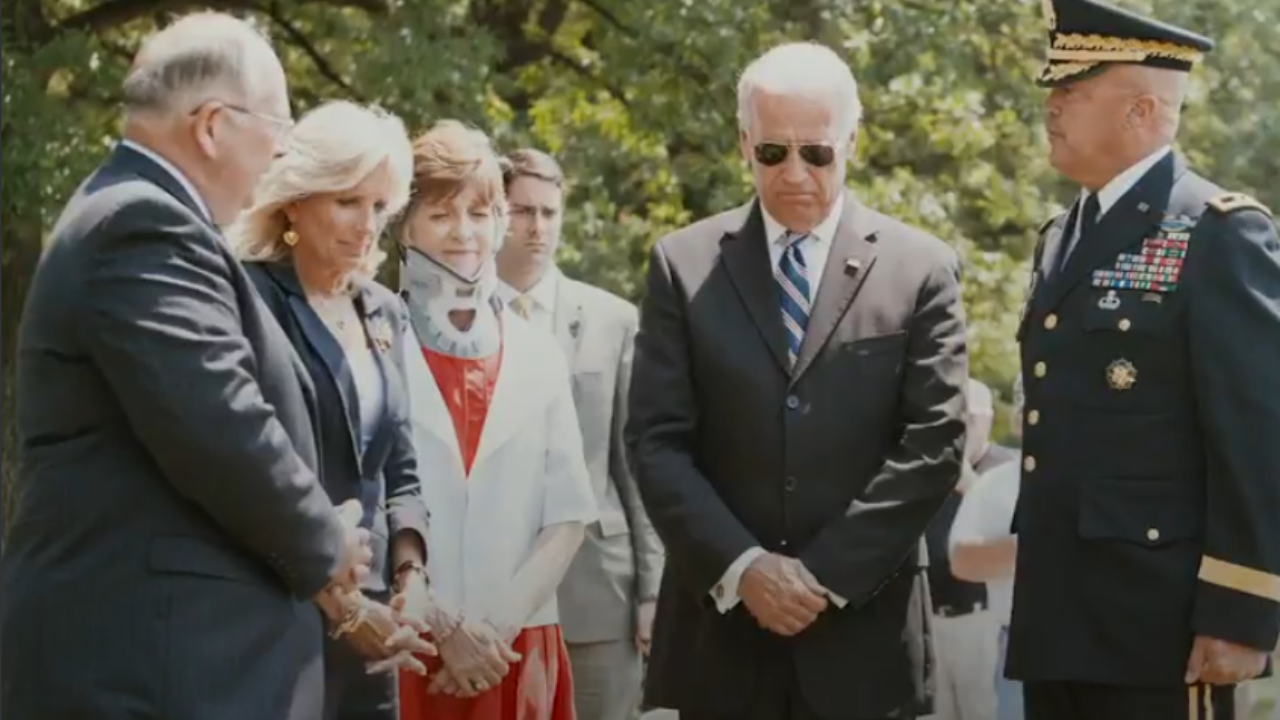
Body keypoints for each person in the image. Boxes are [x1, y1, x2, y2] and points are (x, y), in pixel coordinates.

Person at [2, 14, 378, 720]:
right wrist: (325, 542)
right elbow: (219, 423)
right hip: (156, 668)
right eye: (279, 127)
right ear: (212, 125)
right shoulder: (140, 226)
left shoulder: (138, 219)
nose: (282, 152)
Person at [626, 41, 969, 720]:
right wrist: (745, 568)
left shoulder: (921, 269)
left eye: (817, 153)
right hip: (721, 644)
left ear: (852, 142)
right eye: (772, 152)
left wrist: (823, 577)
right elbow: (656, 440)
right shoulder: (682, 265)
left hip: (865, 644)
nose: (794, 173)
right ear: (742, 142)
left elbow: (934, 442)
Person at [1010, 1, 1280, 718]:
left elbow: (1259, 436)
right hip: (1059, 617)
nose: (1052, 107)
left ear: (1139, 111)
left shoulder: (1219, 234)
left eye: (1072, 91)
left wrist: (1244, 608)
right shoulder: (1061, 236)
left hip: (1163, 624)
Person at [231, 100, 435, 720]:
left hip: (376, 625)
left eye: (379, 207)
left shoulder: (385, 311)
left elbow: (400, 467)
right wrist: (341, 608)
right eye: (348, 201)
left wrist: (412, 581)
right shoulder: (246, 297)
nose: (367, 224)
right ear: (295, 199)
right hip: (275, 606)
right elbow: (240, 467)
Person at [394, 121, 598, 720]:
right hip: (408, 647)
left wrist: (492, 634)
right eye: (441, 214)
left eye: (480, 213)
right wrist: (445, 627)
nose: (464, 232)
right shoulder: (374, 350)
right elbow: (373, 500)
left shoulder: (539, 352)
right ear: (404, 225)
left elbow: (567, 518)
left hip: (514, 647)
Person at [495, 147, 665, 720]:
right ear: (495, 212)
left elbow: (637, 462)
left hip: (598, 589)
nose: (537, 228)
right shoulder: (452, 316)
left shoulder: (613, 320)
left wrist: (652, 590)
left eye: (549, 212)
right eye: (521, 211)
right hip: (487, 587)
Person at [924, 379, 1017, 720]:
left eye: (970, 418)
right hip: (931, 618)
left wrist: (969, 484)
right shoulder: (930, 470)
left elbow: (1019, 538)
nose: (960, 427)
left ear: (988, 420)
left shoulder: (1004, 469)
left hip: (982, 622)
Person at [950, 374, 1027, 720]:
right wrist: (1032, 548)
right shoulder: (996, 484)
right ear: (1018, 421)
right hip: (1019, 644)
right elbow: (961, 559)